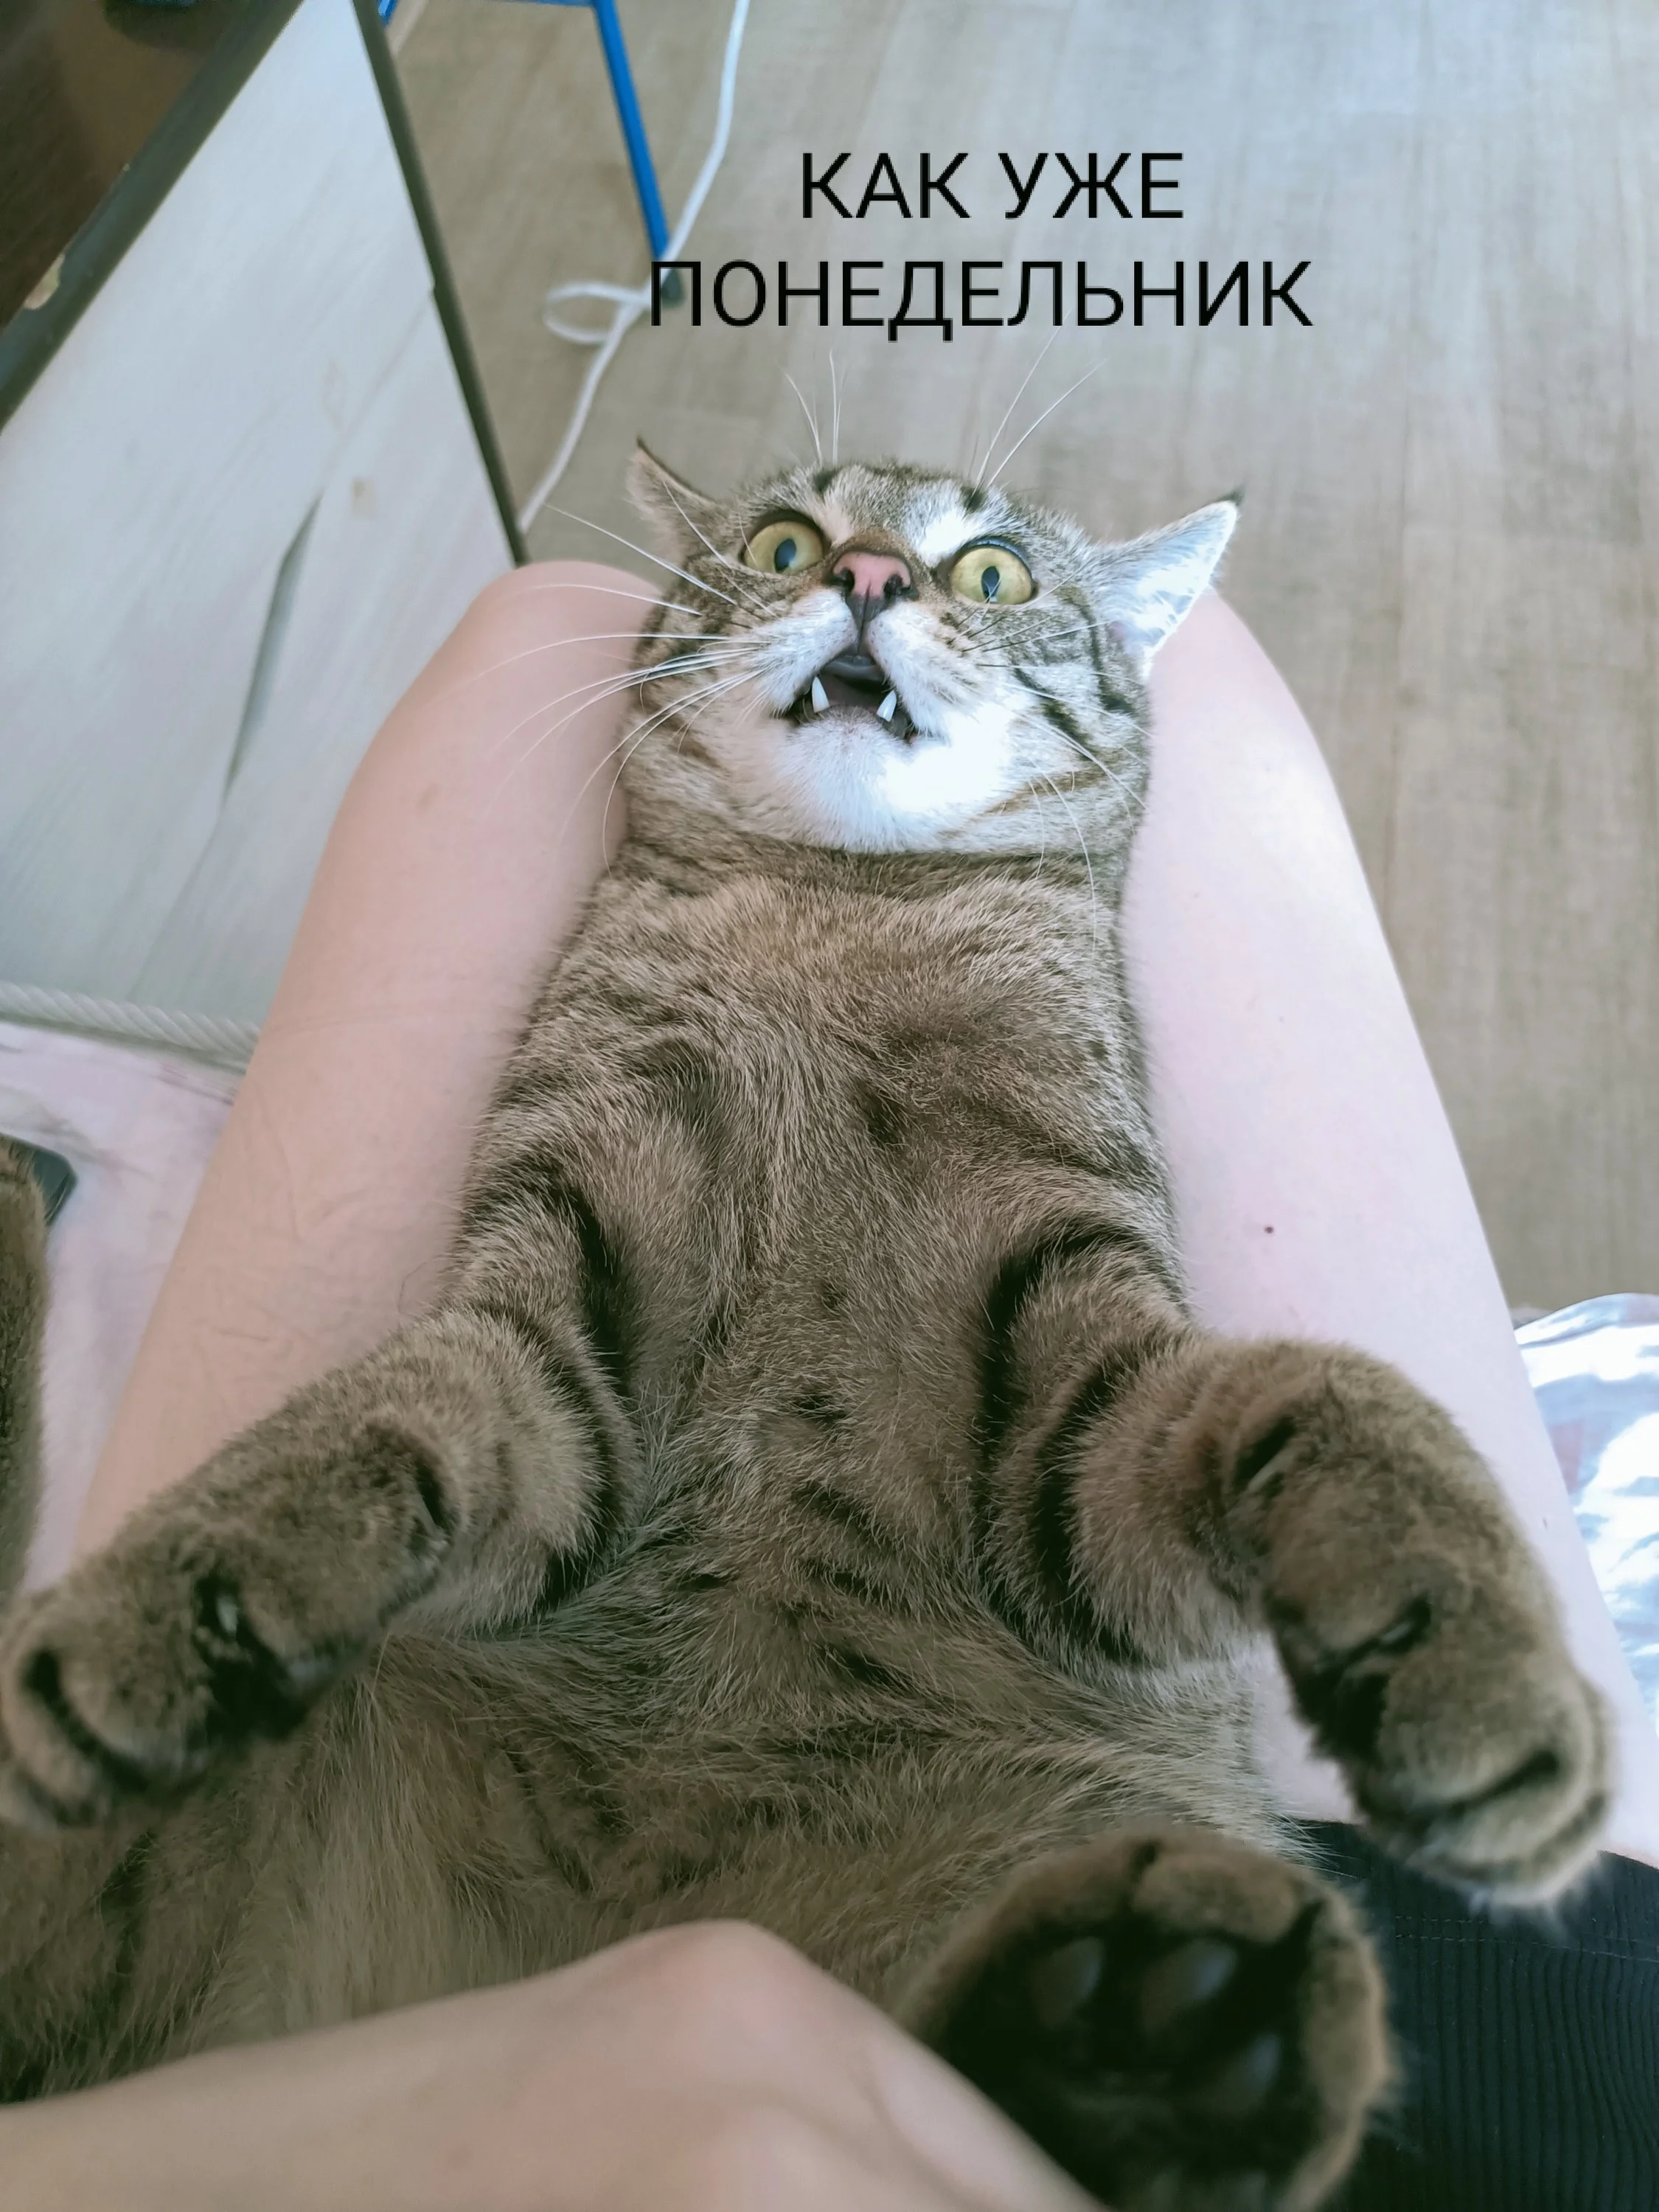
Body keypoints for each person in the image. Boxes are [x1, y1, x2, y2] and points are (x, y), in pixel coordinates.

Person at [5, 563, 1655, 2208]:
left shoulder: (1016, 936)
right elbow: (1091, 1488)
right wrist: (1331, 1464)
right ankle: (1063, 2082)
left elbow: (541, 1402)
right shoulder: (712, 900)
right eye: (794, 543)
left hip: (326, 1964)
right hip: (1413, 2056)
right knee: (653, 633)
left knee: (552, 617)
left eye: (979, 571)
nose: (868, 577)